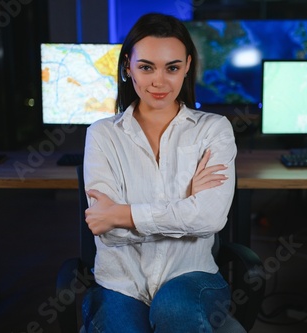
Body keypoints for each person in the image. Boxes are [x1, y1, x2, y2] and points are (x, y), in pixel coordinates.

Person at [81, 12, 239, 333]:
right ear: (128, 67)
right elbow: (106, 228)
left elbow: (209, 219)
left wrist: (123, 213)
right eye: (146, 67)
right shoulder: (102, 134)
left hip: (192, 275)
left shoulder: (213, 129)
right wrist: (185, 208)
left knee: (174, 306)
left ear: (187, 67)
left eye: (172, 67)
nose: (159, 81)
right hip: (121, 282)